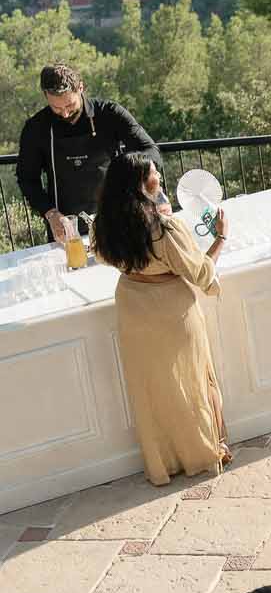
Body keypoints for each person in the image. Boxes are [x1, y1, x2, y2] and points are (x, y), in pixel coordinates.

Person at [91, 149, 230, 483]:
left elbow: (103, 257)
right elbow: (200, 273)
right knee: (192, 380)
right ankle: (203, 452)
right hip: (171, 309)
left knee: (152, 390)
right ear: (141, 183)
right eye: (154, 173)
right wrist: (220, 238)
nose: (159, 177)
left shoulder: (104, 225)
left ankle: (165, 462)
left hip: (132, 307)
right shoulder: (166, 228)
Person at [16, 60, 161, 244]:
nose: (65, 114)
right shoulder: (36, 128)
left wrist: (134, 176)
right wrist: (51, 214)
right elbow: (27, 179)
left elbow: (150, 151)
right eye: (56, 108)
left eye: (70, 105)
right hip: (67, 229)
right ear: (45, 95)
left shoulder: (110, 114)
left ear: (81, 88)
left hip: (119, 217)